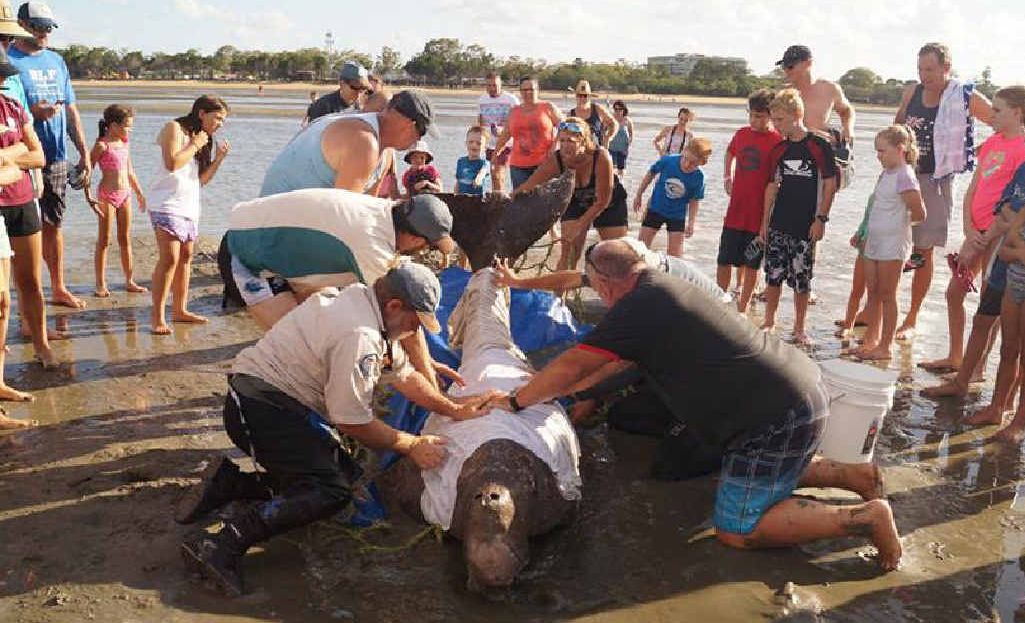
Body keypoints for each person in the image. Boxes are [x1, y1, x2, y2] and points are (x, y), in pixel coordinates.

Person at [487, 242, 901, 570]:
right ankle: (853, 474)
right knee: (757, 468)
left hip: (777, 416)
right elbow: (610, 365)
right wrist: (566, 393)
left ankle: (862, 518)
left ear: (608, 285)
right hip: (795, 390)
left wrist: (516, 401)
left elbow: (577, 362)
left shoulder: (638, 307)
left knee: (737, 528)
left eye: (595, 288)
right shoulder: (658, 284)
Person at [179, 262, 496, 597]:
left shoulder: (363, 302)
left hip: (271, 403)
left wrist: (453, 408)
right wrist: (411, 444)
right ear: (394, 306)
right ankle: (223, 543)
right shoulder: (359, 335)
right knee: (330, 492)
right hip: (259, 410)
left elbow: (405, 376)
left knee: (346, 477)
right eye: (414, 323)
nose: (413, 332)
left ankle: (230, 484)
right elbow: (352, 420)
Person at [220, 189, 456, 327]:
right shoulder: (370, 245)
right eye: (428, 247)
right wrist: (426, 369)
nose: (425, 252)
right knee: (299, 338)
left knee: (325, 321)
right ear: (415, 239)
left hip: (266, 231)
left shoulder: (385, 209)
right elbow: (398, 310)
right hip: (244, 251)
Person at [919, 86, 1025, 373]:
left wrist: (985, 236)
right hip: (975, 232)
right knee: (954, 293)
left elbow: (1014, 205)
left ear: (1017, 113)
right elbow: (974, 187)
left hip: (998, 236)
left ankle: (976, 368)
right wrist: (968, 228)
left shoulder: (1022, 149)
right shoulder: (992, 143)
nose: (991, 115)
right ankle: (956, 356)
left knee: (988, 306)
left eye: (998, 110)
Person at [894, 43, 993, 340]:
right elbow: (897, 125)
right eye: (920, 69)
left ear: (946, 68)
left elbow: (1002, 125)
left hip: (936, 181)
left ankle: (911, 318)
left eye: (930, 70)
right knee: (889, 243)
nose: (924, 76)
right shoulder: (912, 92)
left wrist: (975, 153)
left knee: (922, 251)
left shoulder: (963, 96)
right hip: (904, 175)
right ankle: (877, 309)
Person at [10, 1, 90, 309]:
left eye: (48, 28)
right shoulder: (8, 60)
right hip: (24, 160)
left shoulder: (56, 61)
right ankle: (28, 297)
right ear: (21, 24)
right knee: (23, 230)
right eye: (38, 26)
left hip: (56, 157)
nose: (44, 33)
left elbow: (70, 109)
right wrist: (33, 112)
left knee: (54, 224)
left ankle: (58, 287)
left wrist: (84, 152)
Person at [937, 163, 1025, 425]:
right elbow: (1006, 212)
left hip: (1012, 259)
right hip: (1005, 266)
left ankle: (1013, 412)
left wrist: (1013, 227)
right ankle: (987, 399)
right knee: (1000, 337)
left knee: (1019, 346)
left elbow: (1012, 217)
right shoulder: (1021, 168)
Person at [760, 89, 837, 345]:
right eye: (773, 119)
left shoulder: (819, 146)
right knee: (773, 275)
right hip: (779, 222)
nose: (775, 125)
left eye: (779, 120)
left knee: (802, 280)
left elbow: (829, 184)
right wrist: (764, 224)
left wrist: (821, 219)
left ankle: (799, 327)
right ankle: (769, 321)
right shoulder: (778, 149)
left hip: (807, 225)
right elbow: (771, 186)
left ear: (797, 115)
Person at [149, 96, 231, 335]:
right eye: (217, 117)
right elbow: (172, 163)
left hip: (188, 205)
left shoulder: (203, 139)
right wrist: (195, 144)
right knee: (170, 258)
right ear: (202, 113)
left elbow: (200, 180)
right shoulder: (174, 128)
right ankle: (157, 316)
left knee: (186, 257)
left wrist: (217, 160)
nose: (220, 124)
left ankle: (179, 310)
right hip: (165, 203)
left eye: (223, 120)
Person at [261, 90, 434, 197]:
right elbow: (344, 216)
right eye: (421, 133)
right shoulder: (363, 141)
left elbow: (366, 209)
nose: (418, 141)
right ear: (409, 125)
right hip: (276, 227)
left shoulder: (385, 152)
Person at [850, 126, 926, 361]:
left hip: (893, 245)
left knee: (887, 293)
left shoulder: (905, 175)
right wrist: (863, 232)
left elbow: (920, 213)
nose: (878, 156)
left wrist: (898, 227)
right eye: (877, 151)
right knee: (872, 292)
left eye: (882, 151)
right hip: (873, 240)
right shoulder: (886, 174)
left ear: (900, 149)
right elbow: (876, 205)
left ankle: (886, 346)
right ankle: (870, 341)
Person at [515, 117, 628, 271]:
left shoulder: (601, 156)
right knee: (568, 255)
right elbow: (527, 187)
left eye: (571, 141)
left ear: (583, 141)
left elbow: (602, 201)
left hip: (609, 203)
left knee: (617, 255)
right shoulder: (557, 160)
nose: (565, 147)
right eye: (562, 141)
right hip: (576, 201)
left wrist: (580, 224)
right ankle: (560, 294)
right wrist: (502, 202)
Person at [0, 44, 43, 405]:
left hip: (22, 201)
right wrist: (16, 155)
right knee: (0, 299)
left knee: (24, 286)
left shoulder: (12, 107)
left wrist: (8, 158)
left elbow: (39, 155)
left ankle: (40, 344)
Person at [718, 88, 782, 312]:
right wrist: (727, 175)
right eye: (751, 115)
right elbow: (729, 151)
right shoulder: (741, 134)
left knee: (751, 264)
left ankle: (742, 308)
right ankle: (720, 302)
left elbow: (776, 182)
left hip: (758, 217)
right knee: (724, 259)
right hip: (735, 211)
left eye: (760, 116)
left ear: (771, 115)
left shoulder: (778, 141)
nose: (754, 120)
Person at [83, 104, 147, 297]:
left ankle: (129, 280)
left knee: (125, 239)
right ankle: (100, 284)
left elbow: (130, 170)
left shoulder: (124, 142)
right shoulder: (102, 145)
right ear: (113, 125)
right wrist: (89, 197)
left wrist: (139, 193)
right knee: (104, 240)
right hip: (106, 196)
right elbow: (88, 171)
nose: (130, 130)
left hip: (125, 194)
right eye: (127, 126)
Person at [990, 168, 1025, 443]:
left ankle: (1019, 421)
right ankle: (997, 407)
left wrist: (1018, 251)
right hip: (1015, 282)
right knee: (1008, 347)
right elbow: (1005, 249)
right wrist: (1020, 253)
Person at [633, 137, 711, 258]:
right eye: (686, 159)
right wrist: (639, 195)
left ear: (702, 163)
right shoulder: (668, 161)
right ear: (684, 151)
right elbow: (651, 173)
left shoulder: (699, 178)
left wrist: (691, 222)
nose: (687, 164)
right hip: (656, 208)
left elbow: (694, 201)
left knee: (675, 257)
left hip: (677, 215)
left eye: (693, 164)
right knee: (640, 250)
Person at [776, 45, 854, 150]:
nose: (786, 70)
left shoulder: (830, 88)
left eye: (790, 66)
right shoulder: (781, 93)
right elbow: (774, 125)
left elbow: (846, 110)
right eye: (783, 66)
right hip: (792, 150)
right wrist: (812, 134)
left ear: (808, 63)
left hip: (821, 149)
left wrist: (848, 128)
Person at [492, 76, 562, 190]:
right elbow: (505, 135)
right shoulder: (514, 111)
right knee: (521, 200)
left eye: (531, 89)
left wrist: (555, 145)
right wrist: (496, 153)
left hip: (544, 163)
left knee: (543, 199)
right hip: (518, 165)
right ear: (520, 92)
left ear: (537, 90)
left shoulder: (548, 107)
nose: (528, 92)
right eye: (524, 90)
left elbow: (564, 127)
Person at [477, 72, 519, 193]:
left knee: (497, 172)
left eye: (495, 85)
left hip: (507, 143)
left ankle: (500, 200)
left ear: (501, 84)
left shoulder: (511, 100)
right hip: (489, 144)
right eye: (489, 85)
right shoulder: (481, 100)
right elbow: (480, 122)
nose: (492, 88)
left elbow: (518, 121)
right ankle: (499, 198)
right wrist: (480, 140)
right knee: (494, 174)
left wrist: (504, 130)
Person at [303, 61, 370, 125]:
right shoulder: (323, 106)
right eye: (355, 87)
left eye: (363, 88)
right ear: (342, 84)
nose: (359, 92)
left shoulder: (363, 106)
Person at [565, 80, 617, 148]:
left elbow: (613, 123)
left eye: (585, 95)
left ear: (589, 97)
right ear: (576, 96)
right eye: (580, 95)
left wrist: (608, 137)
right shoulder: (570, 115)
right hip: (577, 153)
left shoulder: (598, 109)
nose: (582, 98)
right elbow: (564, 134)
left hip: (596, 151)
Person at [454, 126, 491, 196]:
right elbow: (458, 182)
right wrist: (455, 195)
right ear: (466, 143)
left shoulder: (485, 164)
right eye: (471, 142)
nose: (474, 145)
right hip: (462, 198)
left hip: (477, 199)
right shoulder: (461, 161)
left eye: (478, 143)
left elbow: (481, 175)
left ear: (485, 147)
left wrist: (478, 179)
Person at [607, 100, 633, 176]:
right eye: (616, 109)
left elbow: (631, 135)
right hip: (611, 148)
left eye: (620, 109)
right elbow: (603, 132)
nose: (617, 111)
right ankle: (612, 184)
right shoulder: (610, 119)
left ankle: (621, 184)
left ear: (624, 109)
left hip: (622, 150)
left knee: (621, 170)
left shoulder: (628, 121)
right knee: (611, 169)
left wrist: (627, 148)